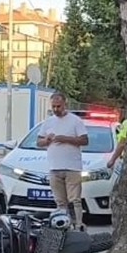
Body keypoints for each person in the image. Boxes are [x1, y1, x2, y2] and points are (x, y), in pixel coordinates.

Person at [36, 93, 89, 228]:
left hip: (72, 167)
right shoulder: (48, 122)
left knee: (74, 200)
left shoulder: (75, 121)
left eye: (58, 106)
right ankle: (63, 225)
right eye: (53, 106)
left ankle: (78, 225)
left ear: (65, 104)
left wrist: (65, 139)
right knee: (60, 201)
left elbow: (84, 140)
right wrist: (46, 140)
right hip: (54, 167)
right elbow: (38, 142)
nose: (56, 109)